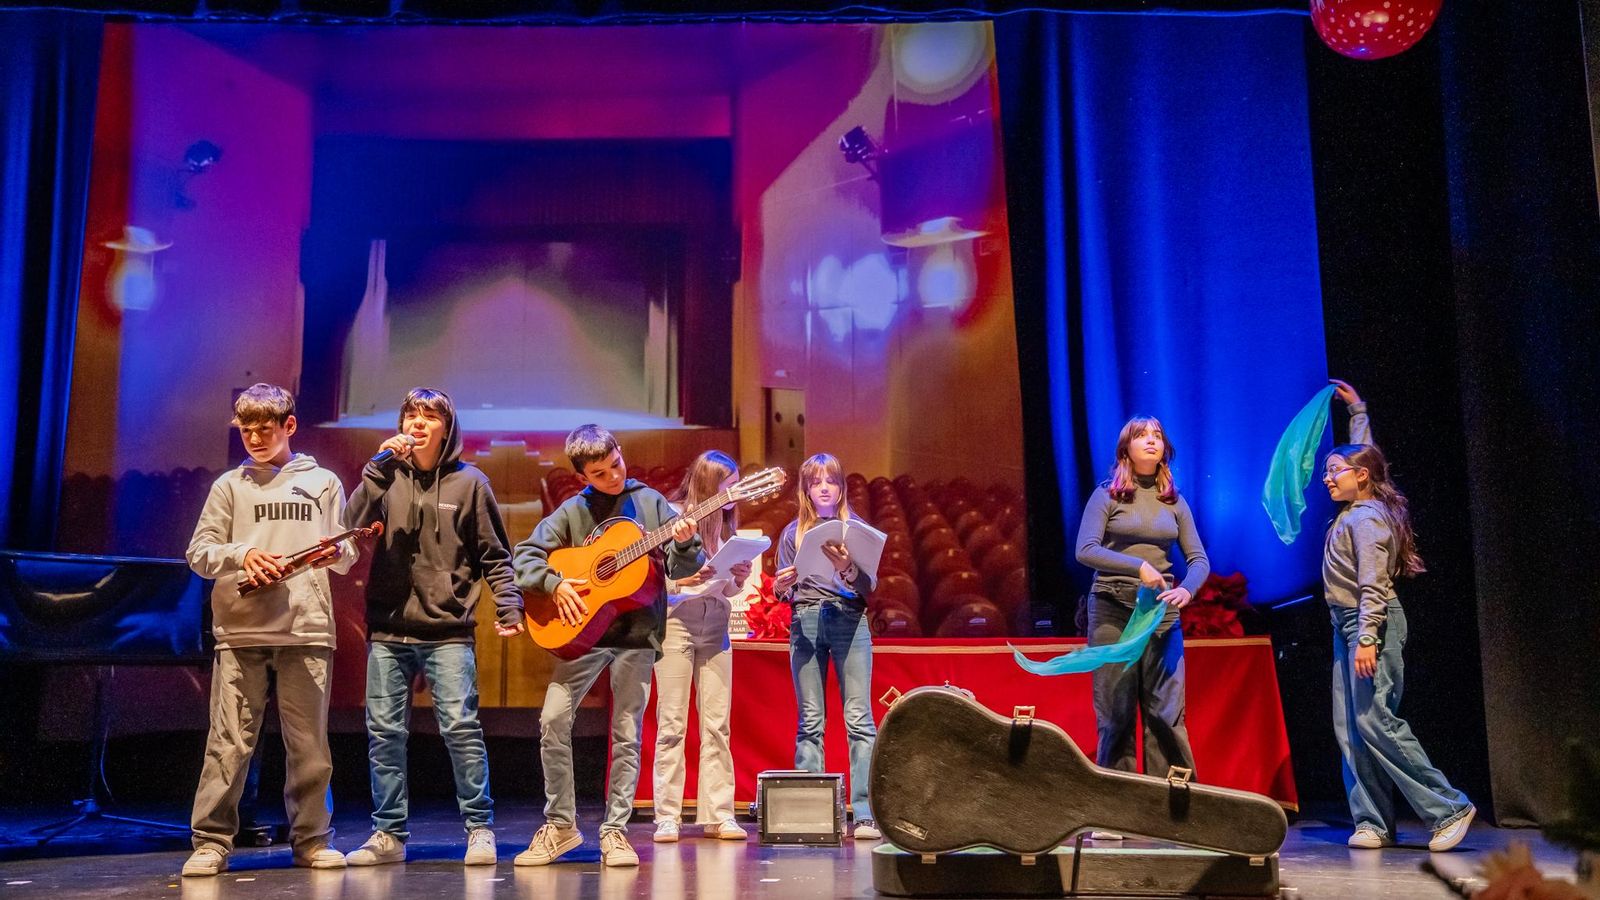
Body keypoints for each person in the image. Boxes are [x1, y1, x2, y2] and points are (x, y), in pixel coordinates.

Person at [343, 387, 524, 867]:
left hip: (447, 630)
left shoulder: (470, 483)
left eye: (428, 416)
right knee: (384, 732)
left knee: (461, 729)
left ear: (447, 427)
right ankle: (388, 835)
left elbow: (494, 555)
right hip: (388, 628)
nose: (417, 423)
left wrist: (508, 606)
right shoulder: (384, 477)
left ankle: (480, 829)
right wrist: (377, 470)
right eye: (410, 415)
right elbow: (350, 527)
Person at [182, 383, 357, 877]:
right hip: (242, 631)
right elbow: (199, 553)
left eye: (266, 428)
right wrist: (243, 554)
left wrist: (336, 551)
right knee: (229, 741)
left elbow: (345, 555)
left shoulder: (322, 481)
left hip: (306, 628)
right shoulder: (229, 486)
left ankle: (313, 840)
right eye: (247, 429)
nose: (255, 437)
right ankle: (212, 841)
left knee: (309, 744)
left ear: (290, 426)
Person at [512, 424, 703, 868]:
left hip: (636, 636)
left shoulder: (651, 502)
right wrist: (555, 583)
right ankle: (560, 825)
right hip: (582, 633)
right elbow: (525, 556)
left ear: (620, 451)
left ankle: (615, 831)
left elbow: (678, 567)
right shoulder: (572, 511)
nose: (613, 476)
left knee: (627, 733)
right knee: (553, 719)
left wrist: (685, 541)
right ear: (583, 477)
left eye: (615, 464)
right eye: (599, 473)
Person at [1323, 379, 1475, 851]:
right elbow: (1365, 457)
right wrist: (1358, 412)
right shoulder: (1359, 504)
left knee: (1375, 720)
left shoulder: (1367, 519)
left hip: (1371, 623)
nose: (1328, 478)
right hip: (1346, 625)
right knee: (1351, 727)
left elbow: (1374, 585)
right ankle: (1372, 821)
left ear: (1360, 478)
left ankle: (1449, 806)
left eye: (1335, 471)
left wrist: (1367, 637)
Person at [1074, 416, 1209, 841]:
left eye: (1157, 436)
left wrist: (1186, 590)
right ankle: (1116, 813)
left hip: (1161, 616)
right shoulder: (1107, 495)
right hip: (1113, 610)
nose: (1151, 441)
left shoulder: (1174, 501)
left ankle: (1173, 812)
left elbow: (1199, 560)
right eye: (1141, 436)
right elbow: (1085, 551)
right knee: (1114, 714)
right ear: (1126, 449)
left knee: (1166, 715)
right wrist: (1139, 566)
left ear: (1164, 449)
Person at [772, 452, 880, 840]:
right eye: (815, 481)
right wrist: (781, 586)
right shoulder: (792, 533)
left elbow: (869, 586)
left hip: (848, 620)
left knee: (859, 719)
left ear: (840, 488)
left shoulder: (857, 529)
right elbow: (782, 589)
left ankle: (865, 812)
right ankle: (811, 812)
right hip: (806, 620)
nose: (823, 487)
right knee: (811, 721)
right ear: (805, 489)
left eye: (830, 481)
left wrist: (847, 569)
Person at [652, 451, 752, 843]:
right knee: (672, 723)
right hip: (677, 622)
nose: (735, 494)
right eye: (730, 486)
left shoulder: (727, 526)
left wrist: (738, 576)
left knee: (717, 723)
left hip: (716, 621)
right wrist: (685, 582)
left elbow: (728, 586)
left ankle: (719, 813)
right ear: (712, 484)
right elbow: (655, 580)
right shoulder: (672, 515)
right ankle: (667, 815)